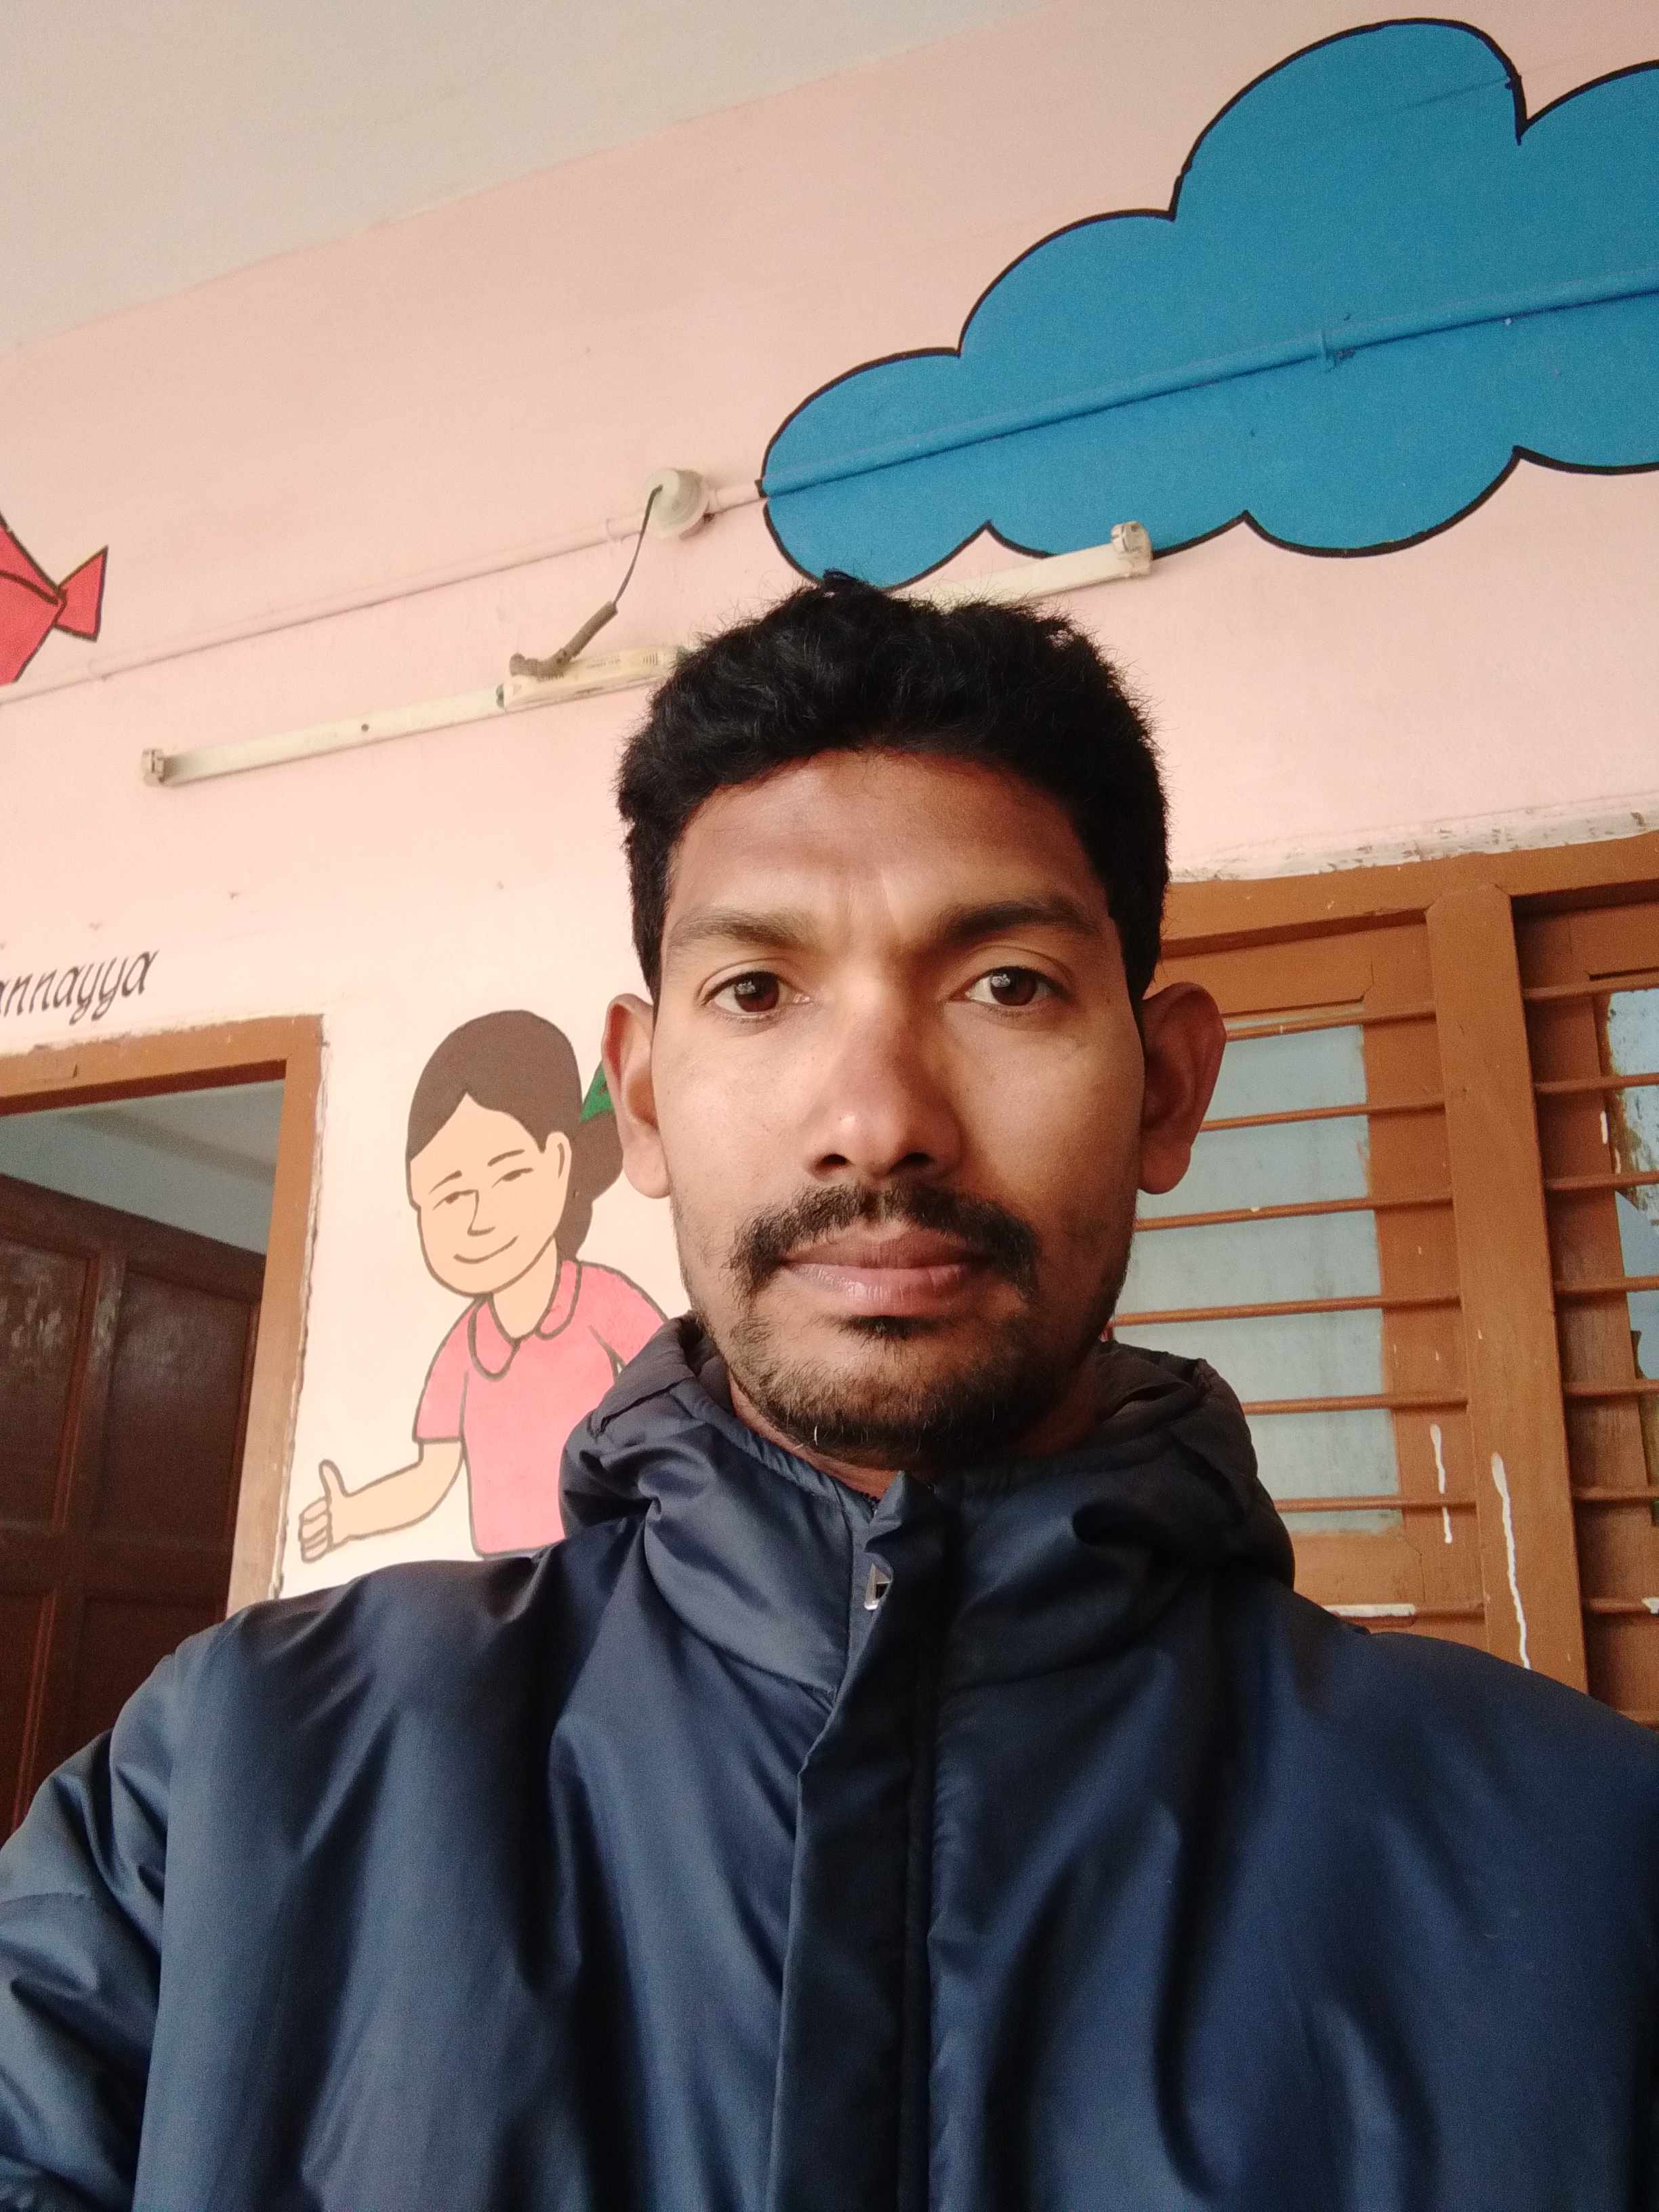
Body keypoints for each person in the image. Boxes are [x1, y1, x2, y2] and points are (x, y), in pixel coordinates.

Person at [2, 576, 1657, 2210]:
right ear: (646, 1101)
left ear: (1164, 1089)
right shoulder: (227, 1784)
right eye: (757, 991)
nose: (878, 1121)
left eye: (1004, 984)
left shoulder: (1589, 1864)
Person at [298, 1010, 663, 1561]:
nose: (479, 1217)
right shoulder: (460, 1353)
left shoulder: (602, 1303)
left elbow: (675, 1394)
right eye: (449, 1195)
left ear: (558, 1163)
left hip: (609, 1552)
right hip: (507, 1576)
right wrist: (351, 1515)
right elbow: (429, 1478)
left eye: (508, 1175)